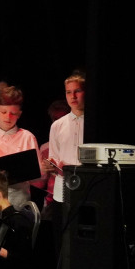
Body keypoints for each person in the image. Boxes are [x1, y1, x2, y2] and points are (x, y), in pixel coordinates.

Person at [0, 85, 40, 204]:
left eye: (13, 113)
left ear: (19, 114)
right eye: (4, 112)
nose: (8, 117)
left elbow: (37, 177)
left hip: (19, 200)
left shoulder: (27, 137)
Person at [44, 71, 85, 210]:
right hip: (63, 190)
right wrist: (51, 165)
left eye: (77, 91)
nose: (73, 96)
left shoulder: (93, 123)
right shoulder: (57, 125)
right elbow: (54, 158)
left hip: (86, 188)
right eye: (68, 92)